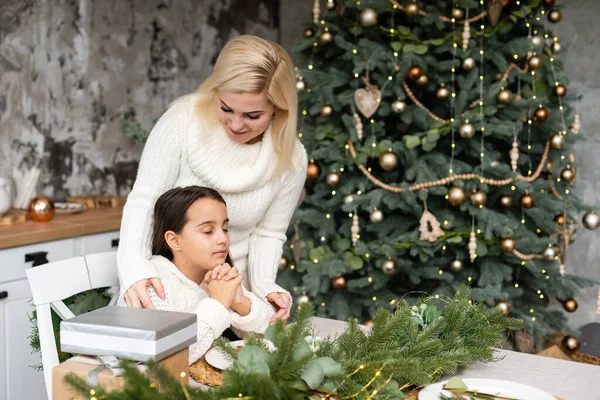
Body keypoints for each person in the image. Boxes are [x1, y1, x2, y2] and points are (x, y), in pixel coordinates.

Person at [117, 35, 307, 322]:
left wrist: (264, 287)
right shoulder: (182, 121)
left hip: (232, 297)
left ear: (278, 110)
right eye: (226, 108)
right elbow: (145, 199)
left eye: (253, 115)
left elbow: (269, 234)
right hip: (166, 290)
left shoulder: (291, 158)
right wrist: (133, 268)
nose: (235, 124)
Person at [118, 186, 275, 363]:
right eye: (208, 231)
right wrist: (218, 303)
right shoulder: (153, 286)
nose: (223, 239)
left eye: (225, 228)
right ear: (174, 240)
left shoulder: (216, 275)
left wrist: (240, 303)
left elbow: (273, 336)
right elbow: (168, 357)